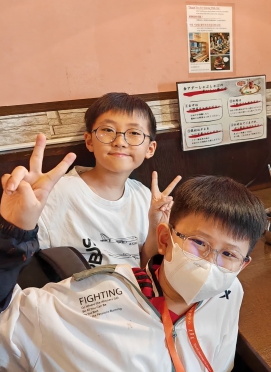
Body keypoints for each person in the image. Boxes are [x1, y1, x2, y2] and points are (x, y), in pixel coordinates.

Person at [0, 135, 271, 372]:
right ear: (166, 239)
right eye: (199, 243)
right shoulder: (80, 304)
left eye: (228, 254)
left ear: (243, 265)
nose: (211, 263)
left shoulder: (228, 294)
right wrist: (9, 232)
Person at [37, 92, 181, 268]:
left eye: (134, 132)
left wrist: (155, 228)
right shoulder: (57, 192)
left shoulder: (144, 197)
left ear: (150, 149)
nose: (120, 141)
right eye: (107, 130)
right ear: (89, 141)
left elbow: (143, 266)